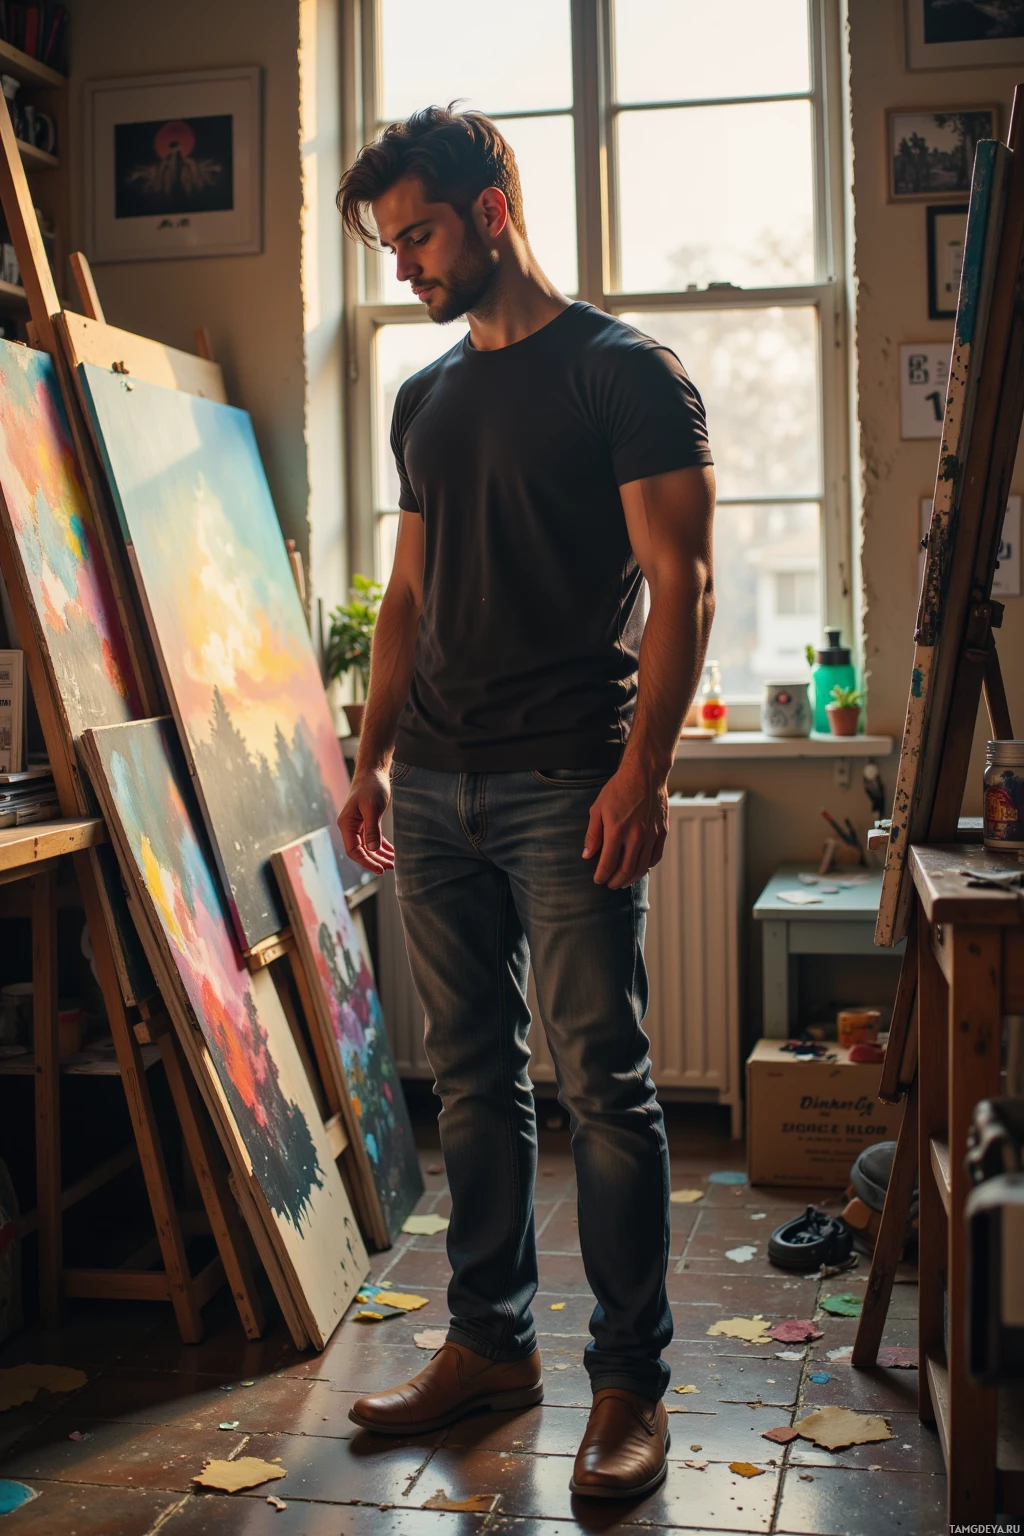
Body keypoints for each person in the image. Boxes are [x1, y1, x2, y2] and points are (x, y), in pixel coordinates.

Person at [335, 105, 715, 1502]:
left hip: (572, 782)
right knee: (473, 1086)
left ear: (494, 209)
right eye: (391, 244)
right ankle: (488, 1347)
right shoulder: (423, 397)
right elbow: (411, 598)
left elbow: (684, 587)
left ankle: (630, 1387)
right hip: (432, 785)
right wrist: (372, 754)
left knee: (603, 1084)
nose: (406, 266)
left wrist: (648, 771)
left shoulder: (624, 374)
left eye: (421, 233)